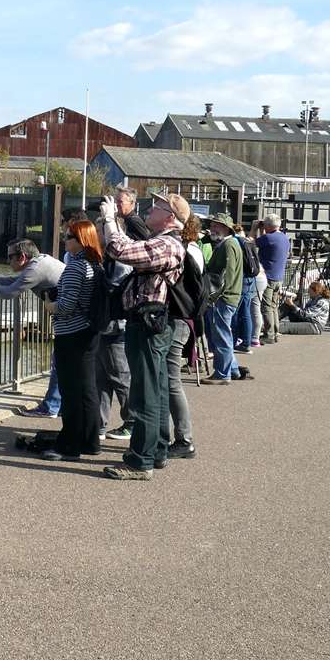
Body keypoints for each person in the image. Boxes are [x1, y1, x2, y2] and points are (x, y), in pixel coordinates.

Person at [94, 193, 190, 481]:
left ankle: (140, 460)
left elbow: (121, 250)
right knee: (157, 389)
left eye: (158, 207)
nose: (150, 209)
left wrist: (110, 219)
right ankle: (157, 451)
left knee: (144, 393)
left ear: (171, 218)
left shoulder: (167, 244)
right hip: (153, 323)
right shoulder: (163, 242)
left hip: (149, 324)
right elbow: (129, 247)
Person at [36, 220, 101, 460]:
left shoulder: (76, 267)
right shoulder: (95, 264)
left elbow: (66, 306)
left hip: (71, 334)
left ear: (81, 240)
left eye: (69, 237)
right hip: (88, 332)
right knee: (87, 389)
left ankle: (70, 444)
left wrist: (49, 306)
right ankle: (90, 441)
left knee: (70, 390)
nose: (65, 240)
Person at [0, 239, 65, 417]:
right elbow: (13, 281)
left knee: (60, 362)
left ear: (23, 257)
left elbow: (10, 292)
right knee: (63, 363)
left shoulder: (35, 269)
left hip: (70, 318)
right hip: (69, 316)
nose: (7, 261)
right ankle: (61, 405)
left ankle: (51, 407)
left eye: (10, 257)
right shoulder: (39, 262)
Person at [165, 214, 202, 459]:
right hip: (187, 318)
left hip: (178, 318)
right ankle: (181, 436)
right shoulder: (195, 249)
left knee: (171, 380)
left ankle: (184, 438)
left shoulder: (183, 250)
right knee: (171, 380)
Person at [93, 251, 134, 441]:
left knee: (120, 377)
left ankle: (132, 422)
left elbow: (117, 291)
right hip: (104, 327)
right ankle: (99, 425)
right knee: (101, 379)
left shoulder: (120, 263)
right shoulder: (107, 261)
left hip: (116, 328)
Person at [203, 213, 243, 384]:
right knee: (223, 334)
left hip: (224, 298)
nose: (212, 227)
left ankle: (222, 373)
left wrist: (214, 297)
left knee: (221, 336)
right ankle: (232, 369)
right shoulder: (228, 244)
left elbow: (227, 275)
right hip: (227, 297)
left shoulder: (228, 245)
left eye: (217, 225)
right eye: (212, 224)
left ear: (226, 228)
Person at [255, 215, 291, 345]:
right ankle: (275, 332)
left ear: (268, 226)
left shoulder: (268, 238)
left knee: (266, 306)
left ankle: (269, 334)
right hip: (279, 277)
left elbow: (250, 243)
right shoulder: (284, 238)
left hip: (268, 277)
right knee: (274, 306)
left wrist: (254, 229)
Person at [232, 223, 259, 353]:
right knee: (246, 311)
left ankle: (233, 340)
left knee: (236, 312)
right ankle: (246, 342)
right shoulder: (248, 241)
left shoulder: (235, 241)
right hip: (251, 278)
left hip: (241, 279)